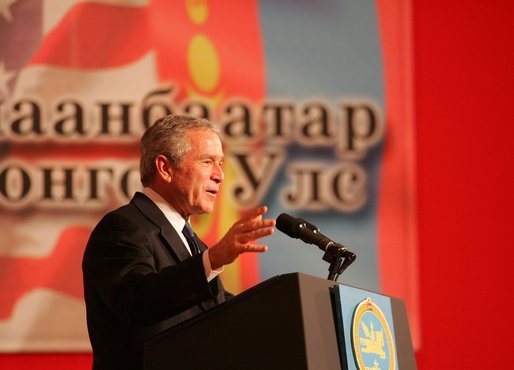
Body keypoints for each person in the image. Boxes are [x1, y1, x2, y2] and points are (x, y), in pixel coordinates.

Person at [82, 114, 276, 370]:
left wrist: (282, 313)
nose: (220, 175)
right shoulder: (123, 227)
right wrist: (213, 260)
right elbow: (138, 303)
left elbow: (216, 316)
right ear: (165, 168)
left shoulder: (194, 244)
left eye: (220, 163)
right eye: (207, 161)